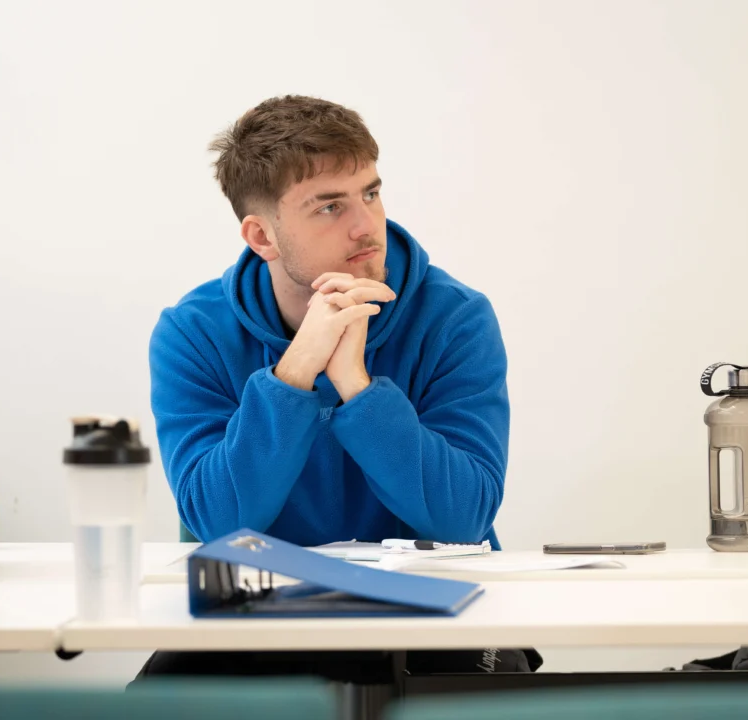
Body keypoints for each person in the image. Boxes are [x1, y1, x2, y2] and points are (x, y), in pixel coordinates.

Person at [139, 95, 539, 680]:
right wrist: (294, 373)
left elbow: (463, 519)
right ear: (262, 237)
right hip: (255, 620)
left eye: (370, 194)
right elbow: (217, 521)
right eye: (328, 207)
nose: (364, 225)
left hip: (435, 618)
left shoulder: (455, 318)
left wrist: (356, 385)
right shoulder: (193, 332)